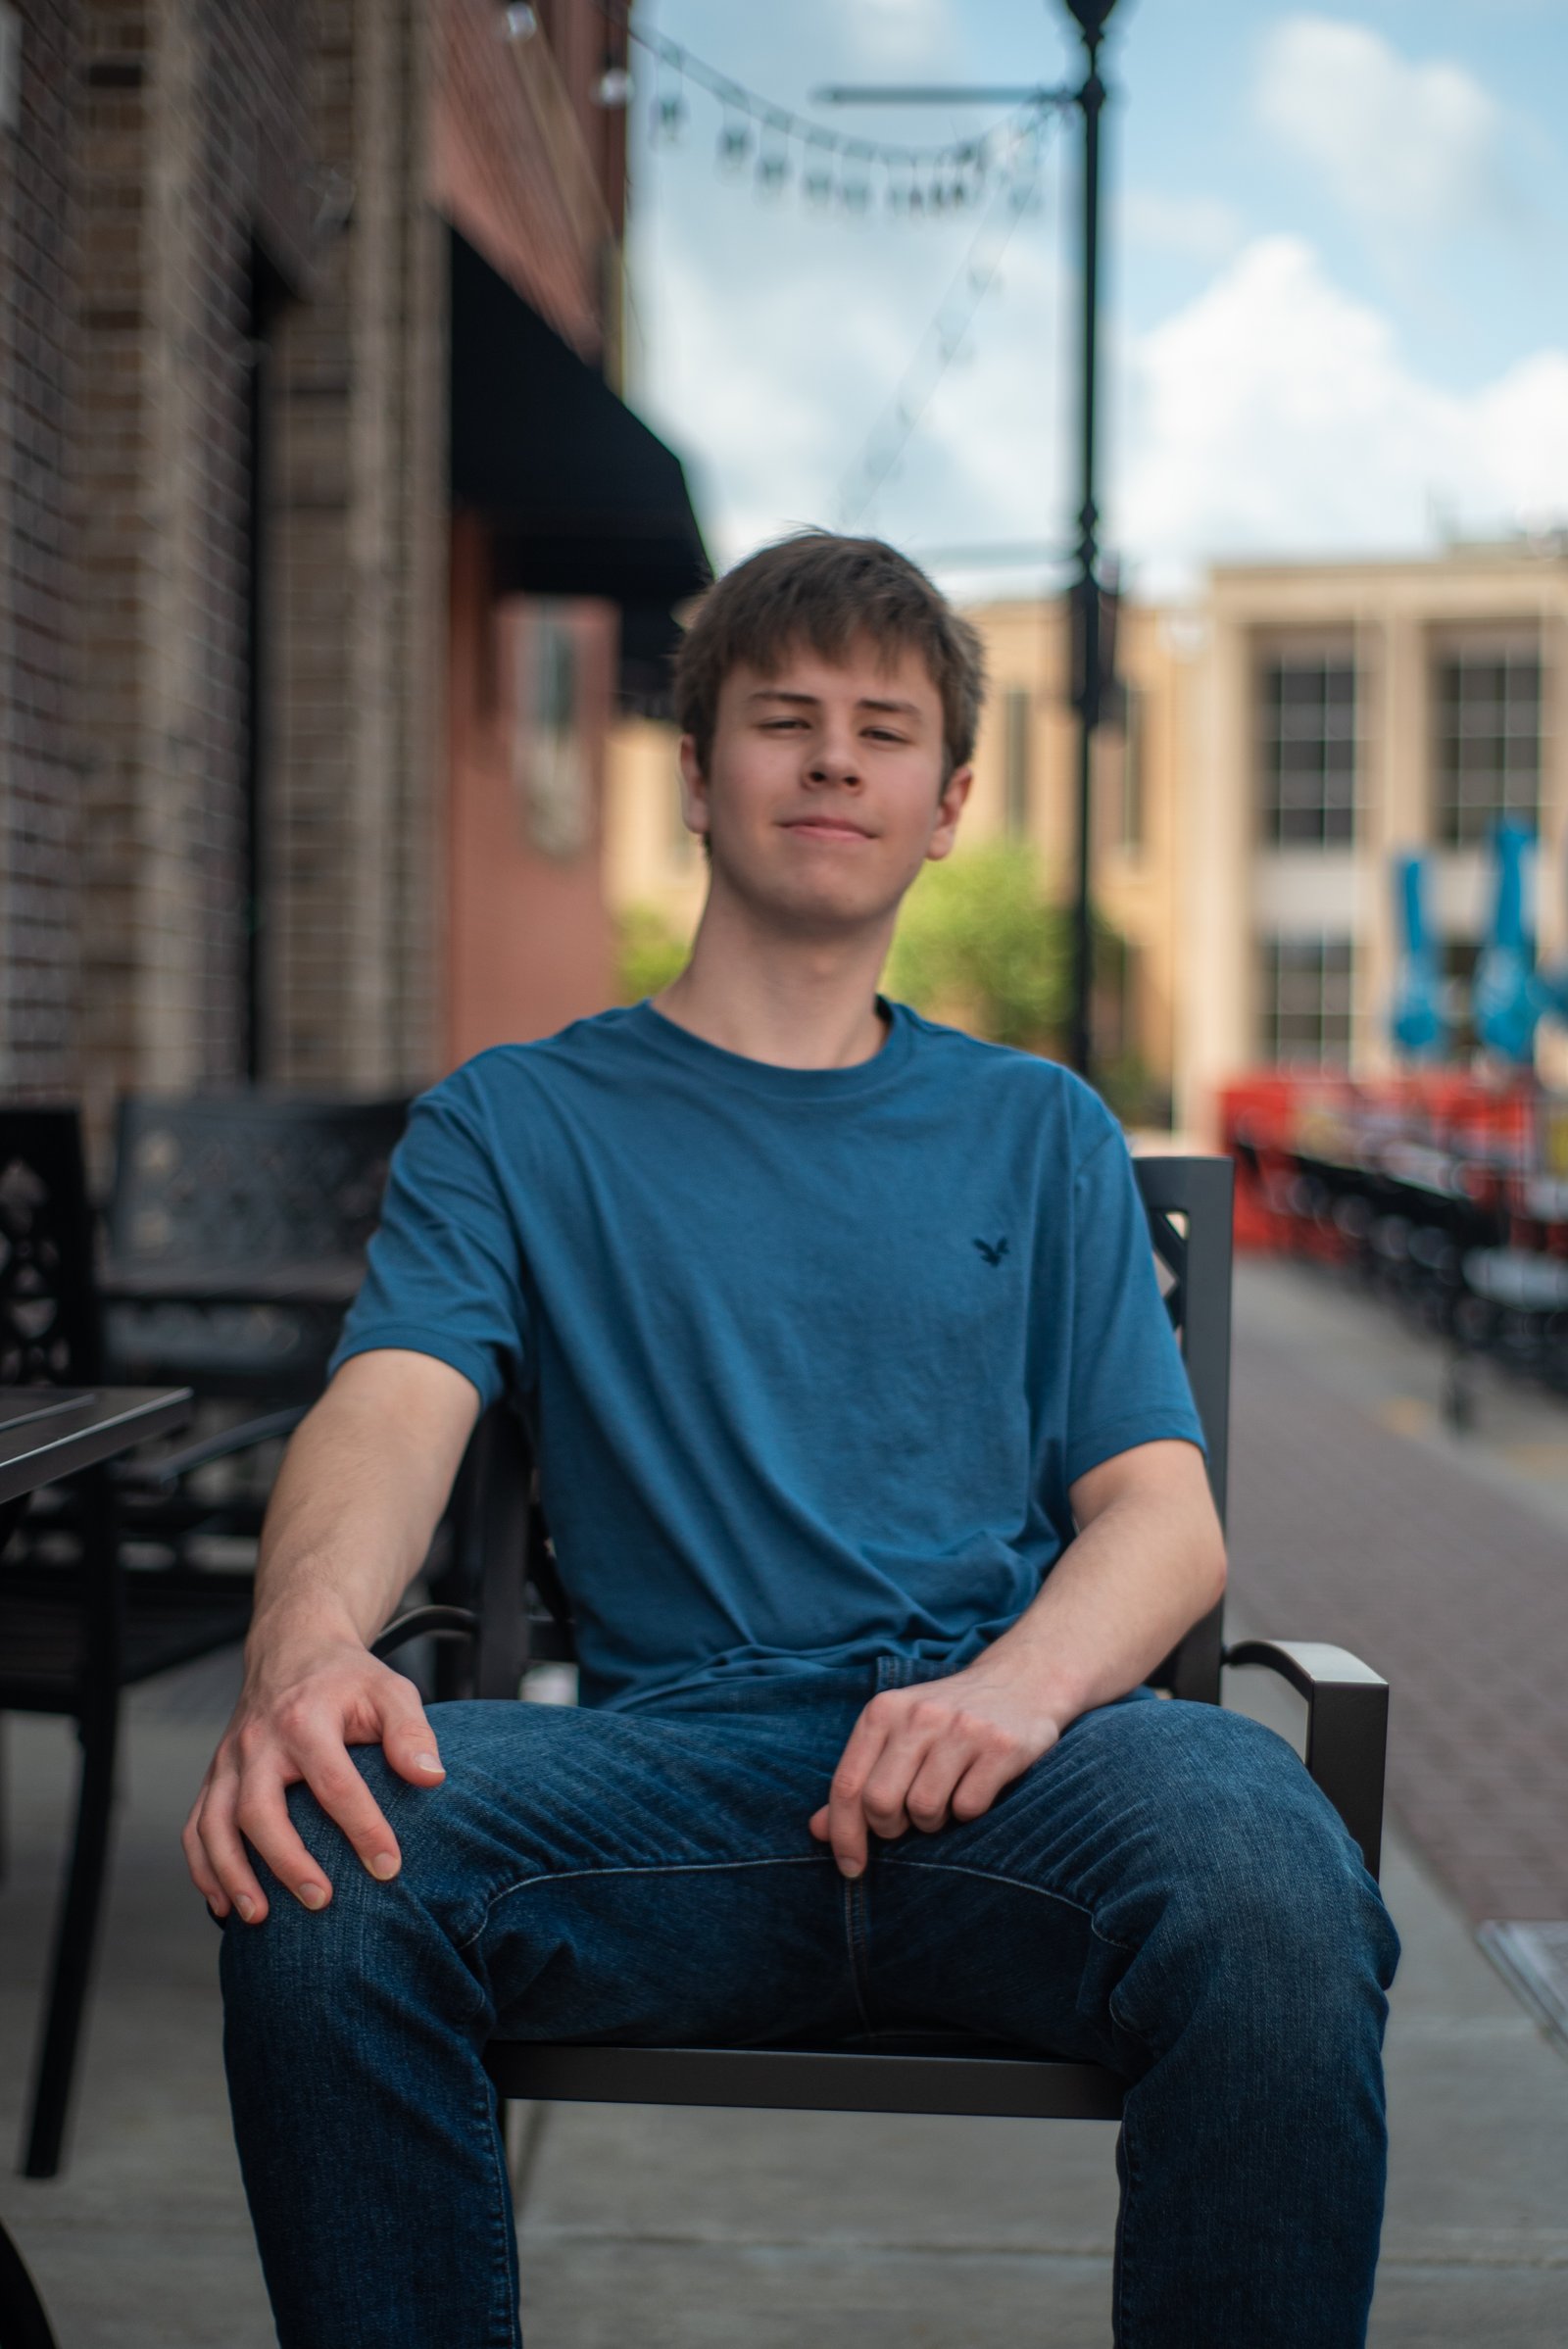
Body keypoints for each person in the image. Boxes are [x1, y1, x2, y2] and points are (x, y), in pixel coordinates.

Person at [187, 531, 1398, 2349]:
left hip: (1021, 1779)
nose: (834, 758)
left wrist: (1014, 1691)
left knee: (1268, 1867)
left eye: (884, 729)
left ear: (948, 801)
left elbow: (1164, 1515)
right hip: (667, 1791)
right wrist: (303, 1654)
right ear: (692, 772)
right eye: (783, 718)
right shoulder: (513, 1121)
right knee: (320, 1871)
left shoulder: (1041, 1129)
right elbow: (392, 1405)